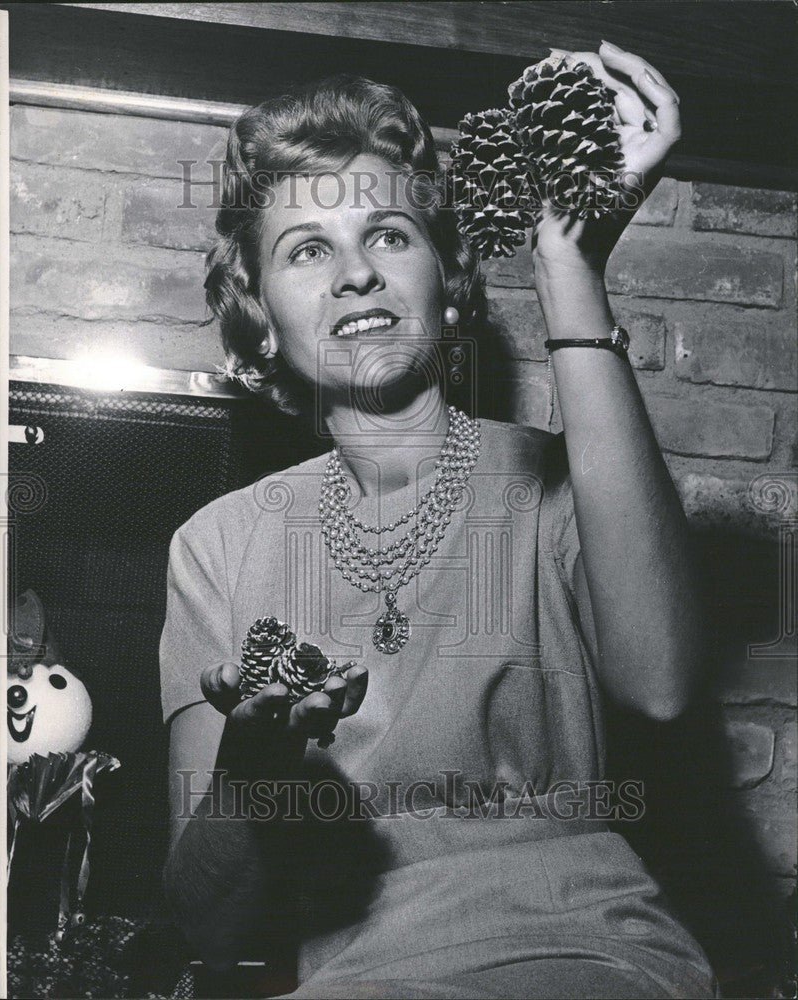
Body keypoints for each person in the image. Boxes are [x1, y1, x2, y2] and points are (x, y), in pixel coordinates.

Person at [160, 41, 720, 999]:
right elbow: (209, 926)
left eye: (388, 235)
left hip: (586, 955)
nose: (354, 276)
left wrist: (568, 264)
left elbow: (663, 682)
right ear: (261, 315)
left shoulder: (556, 479)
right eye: (306, 251)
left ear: (445, 278)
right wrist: (252, 773)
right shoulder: (217, 545)